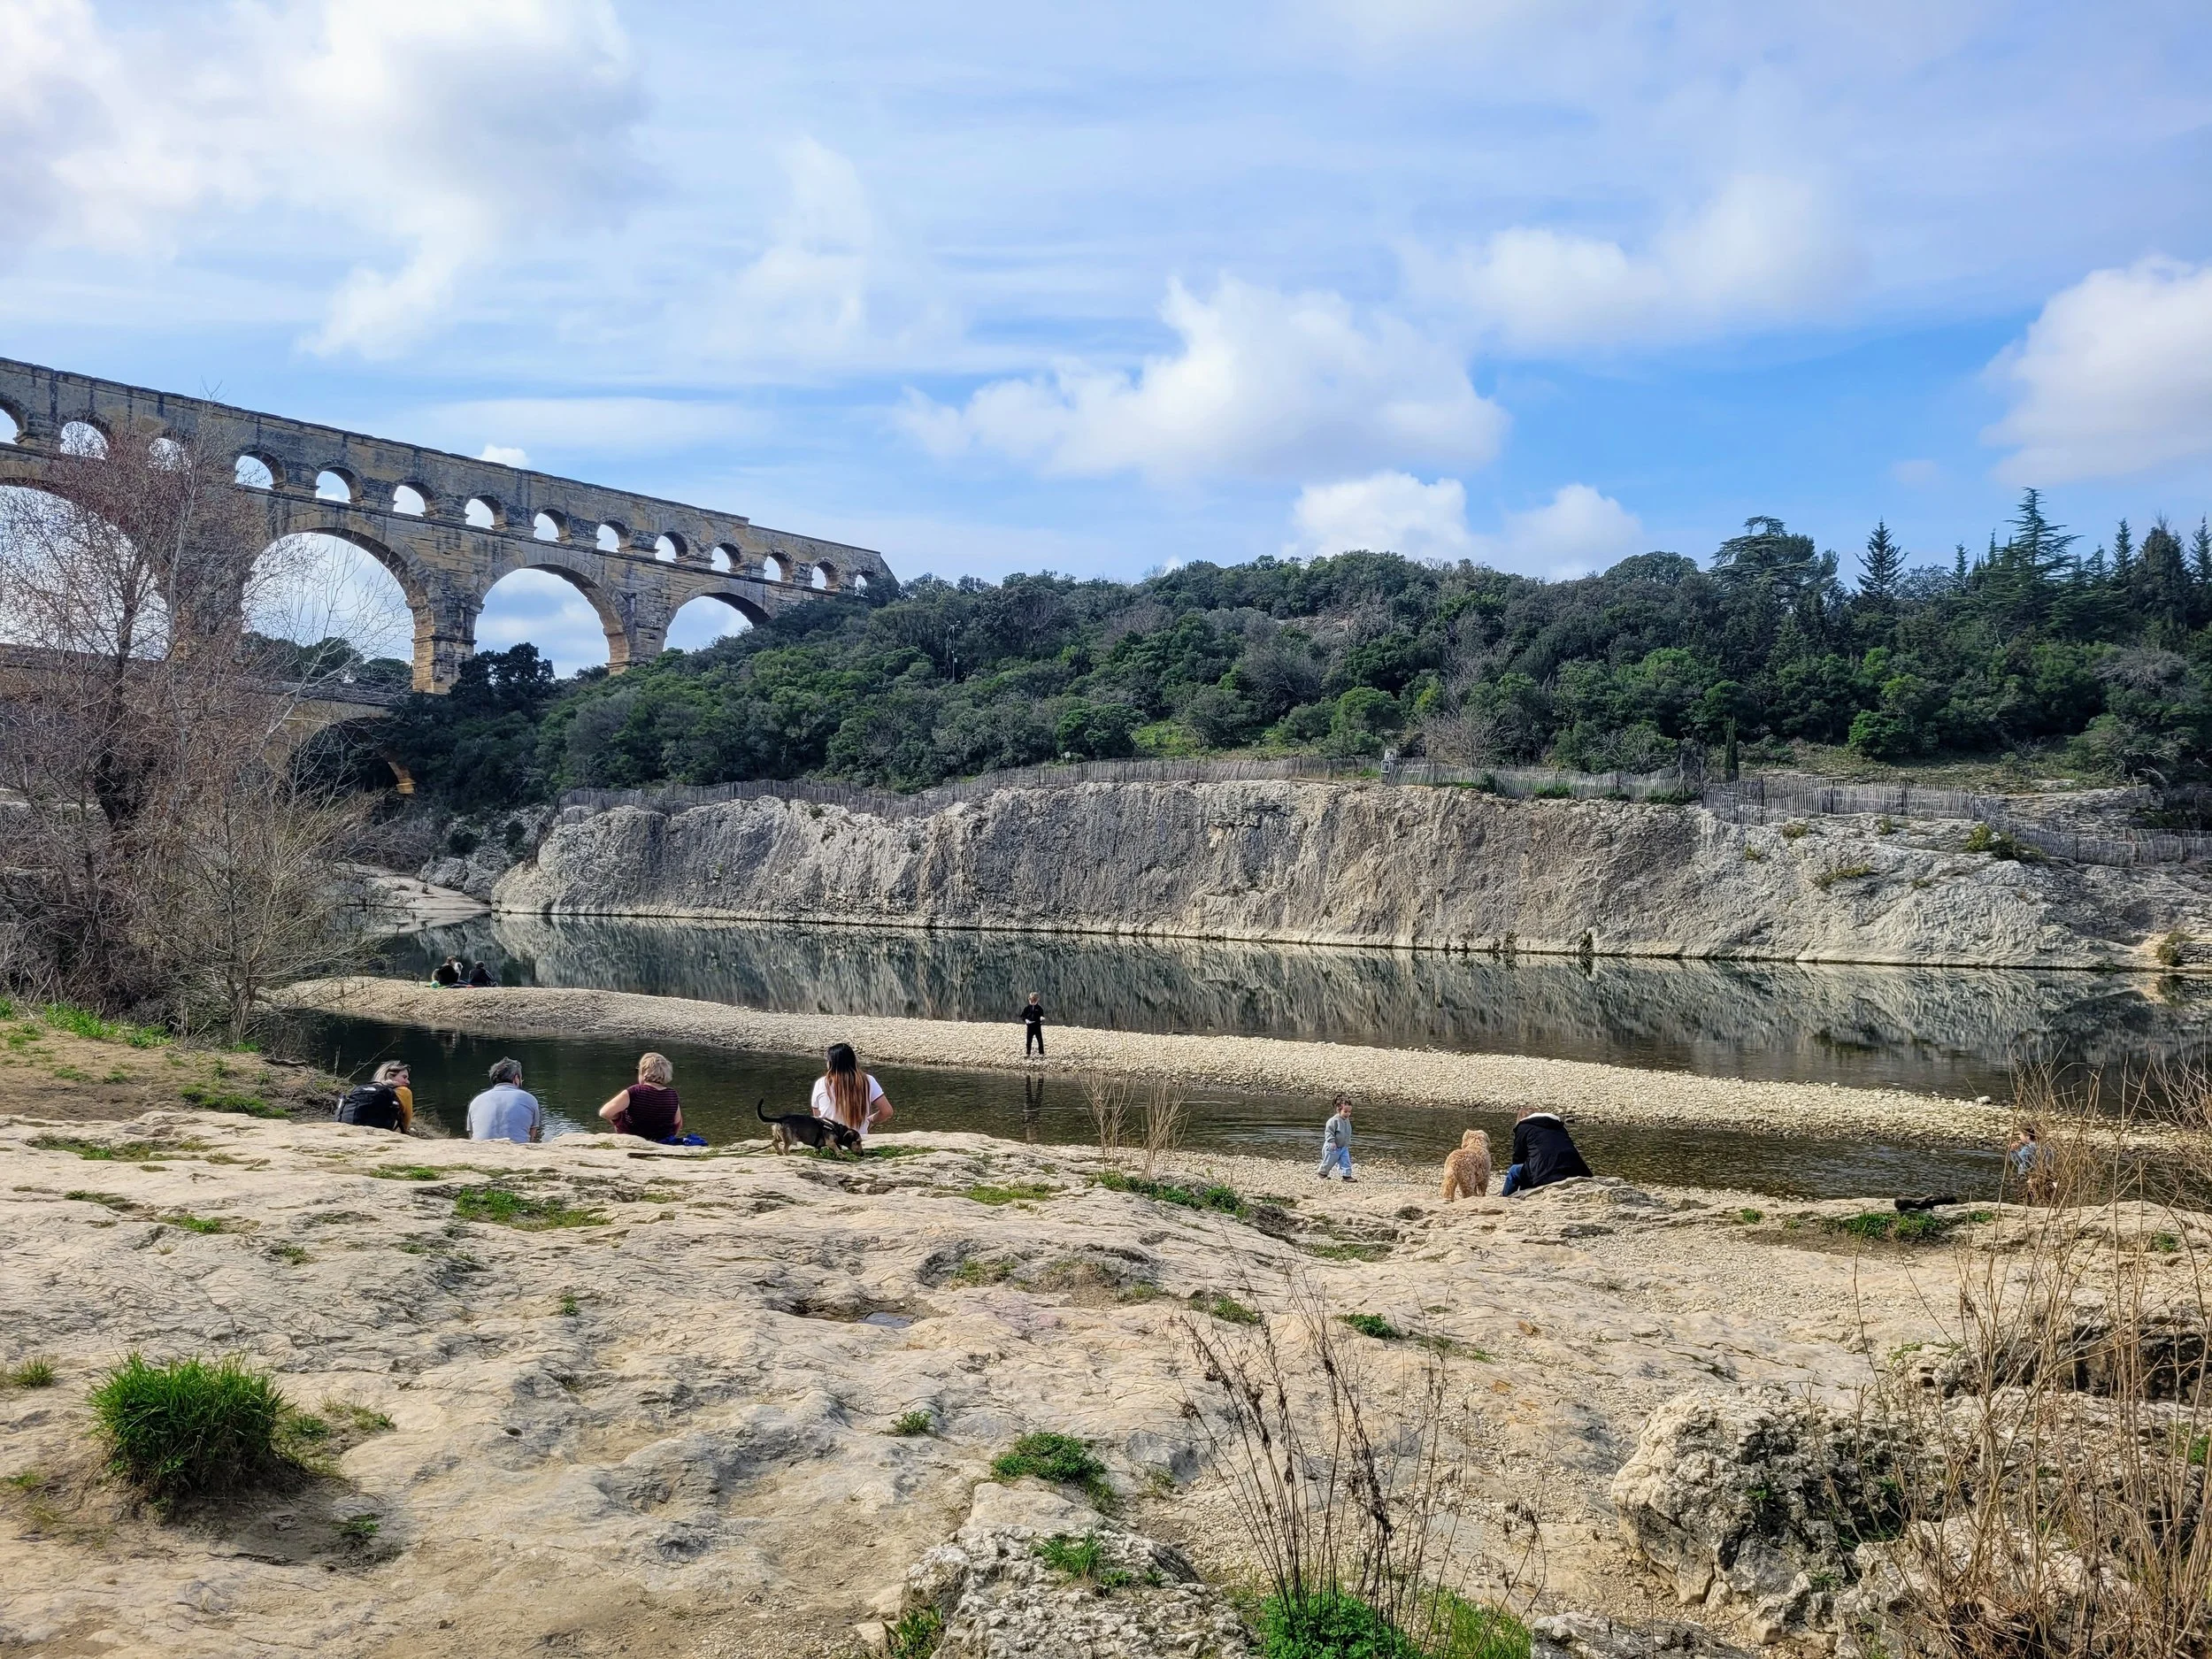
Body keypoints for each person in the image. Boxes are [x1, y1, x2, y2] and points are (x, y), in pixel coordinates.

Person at [1499, 1105, 1592, 1196]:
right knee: (1532, 1163)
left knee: (1514, 1171)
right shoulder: (1559, 1126)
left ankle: (1506, 1198)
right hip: (1576, 1170)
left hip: (1545, 1174)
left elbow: (1518, 1156)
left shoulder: (1523, 1127)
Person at [811, 1041, 894, 1143]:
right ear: (853, 1061)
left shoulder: (821, 1083)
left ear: (831, 1064)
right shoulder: (868, 1081)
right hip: (858, 1140)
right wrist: (870, 1120)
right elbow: (887, 1111)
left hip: (831, 1141)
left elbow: (817, 1119)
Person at [598, 1052, 689, 1142]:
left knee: (619, 1113)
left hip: (632, 1137)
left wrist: (618, 1118)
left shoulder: (635, 1091)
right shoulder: (672, 1094)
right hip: (661, 1140)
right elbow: (677, 1124)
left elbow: (605, 1113)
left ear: (643, 1072)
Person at [466, 1057, 542, 1144]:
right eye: (521, 1079)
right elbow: (532, 1135)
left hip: (482, 1152)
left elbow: (472, 1134)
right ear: (516, 1078)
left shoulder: (476, 1101)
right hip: (516, 1151)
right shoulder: (529, 1099)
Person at [335, 1061, 413, 1133]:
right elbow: (405, 1123)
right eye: (404, 1077)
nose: (408, 1081)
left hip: (350, 1128)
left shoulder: (363, 1088)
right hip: (381, 1132)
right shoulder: (404, 1091)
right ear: (390, 1076)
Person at [1316, 1095, 1354, 1182]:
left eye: (1349, 1112)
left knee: (1346, 1161)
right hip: (1333, 1146)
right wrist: (1331, 1142)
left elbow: (1346, 1132)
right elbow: (1329, 1132)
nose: (1348, 1114)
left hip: (1343, 1146)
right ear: (1338, 1109)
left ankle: (1346, 1175)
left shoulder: (1346, 1120)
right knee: (1329, 1161)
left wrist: (1347, 1141)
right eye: (1345, 1112)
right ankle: (1322, 1173)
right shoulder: (1333, 1121)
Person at [1022, 992, 1046, 1057]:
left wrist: (1041, 1018)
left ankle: (1041, 1053)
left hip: (1037, 1025)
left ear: (1037, 1000)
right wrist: (1026, 1020)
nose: (1032, 1002)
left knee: (1040, 1039)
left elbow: (1041, 1015)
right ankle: (1028, 1052)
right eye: (1031, 1000)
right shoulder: (1027, 1008)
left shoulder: (1039, 1008)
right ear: (1029, 999)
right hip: (1030, 1026)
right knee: (1029, 1040)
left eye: (1034, 1000)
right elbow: (1023, 1016)